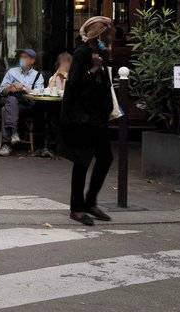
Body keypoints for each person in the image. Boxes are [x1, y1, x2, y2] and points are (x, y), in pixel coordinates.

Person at [60, 16, 116, 226]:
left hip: (98, 117)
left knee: (106, 157)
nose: (110, 37)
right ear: (99, 34)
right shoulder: (82, 52)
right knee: (82, 161)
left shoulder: (100, 52)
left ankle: (90, 201)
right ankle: (76, 207)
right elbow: (74, 84)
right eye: (107, 33)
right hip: (83, 118)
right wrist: (93, 69)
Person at [0, 49, 44, 156]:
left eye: (25, 57)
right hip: (12, 102)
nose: (22, 59)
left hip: (27, 105)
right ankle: (12, 134)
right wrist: (10, 87)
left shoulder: (38, 76)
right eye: (21, 57)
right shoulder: (12, 72)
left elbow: (39, 93)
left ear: (32, 61)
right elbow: (2, 90)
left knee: (6, 108)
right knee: (10, 102)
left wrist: (24, 88)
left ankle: (7, 143)